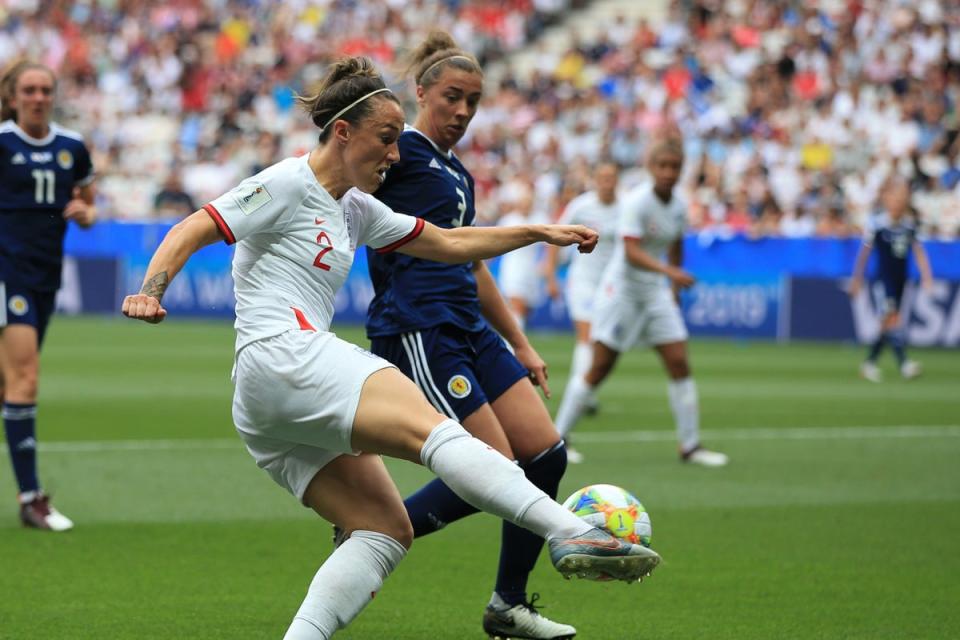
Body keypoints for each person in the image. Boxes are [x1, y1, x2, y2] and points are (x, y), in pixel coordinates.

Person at [122, 56, 660, 640]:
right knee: (440, 434)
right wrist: (151, 292)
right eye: (386, 138)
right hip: (286, 353)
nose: (395, 155)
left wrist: (538, 232)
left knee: (385, 528)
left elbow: (450, 243)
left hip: (267, 401)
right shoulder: (286, 181)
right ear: (344, 131)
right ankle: (568, 530)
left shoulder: (356, 208)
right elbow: (190, 229)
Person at [365, 33, 583, 639]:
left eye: (473, 102)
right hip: (421, 328)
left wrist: (521, 342)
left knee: (546, 456)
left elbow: (474, 261)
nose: (461, 112)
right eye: (451, 98)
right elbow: (340, 189)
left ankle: (508, 605)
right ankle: (374, 526)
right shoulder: (398, 152)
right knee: (496, 468)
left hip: (471, 326)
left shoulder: (455, 171)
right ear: (421, 93)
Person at [553, 134, 729, 468]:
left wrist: (673, 289)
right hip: (623, 291)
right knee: (599, 367)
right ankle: (558, 439)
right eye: (662, 165)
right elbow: (631, 252)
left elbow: (676, 246)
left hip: (655, 292)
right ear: (650, 168)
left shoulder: (678, 205)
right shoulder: (637, 202)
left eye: (674, 167)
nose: (668, 172)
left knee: (679, 361)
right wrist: (670, 274)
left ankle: (690, 446)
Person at [0, 60, 96, 531]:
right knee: (26, 380)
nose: (38, 97)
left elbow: (88, 202)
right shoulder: (2, 143)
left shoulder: (70, 146)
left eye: (45, 90)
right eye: (29, 90)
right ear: (13, 96)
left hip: (45, 276)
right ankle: (31, 498)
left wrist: (84, 212)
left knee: (8, 385)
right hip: (5, 273)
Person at [544, 161, 623, 462]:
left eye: (611, 176)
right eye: (602, 176)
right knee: (587, 339)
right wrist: (551, 274)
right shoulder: (581, 206)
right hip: (584, 283)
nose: (607, 181)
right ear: (595, 180)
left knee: (601, 343)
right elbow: (555, 236)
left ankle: (583, 394)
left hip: (612, 287)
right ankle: (582, 399)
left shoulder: (625, 207)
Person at [850, 177, 933, 382]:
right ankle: (904, 364)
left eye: (900, 201)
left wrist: (926, 276)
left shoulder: (909, 226)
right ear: (887, 202)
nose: (896, 204)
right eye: (893, 200)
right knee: (891, 319)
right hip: (882, 281)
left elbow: (919, 251)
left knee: (888, 324)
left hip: (900, 280)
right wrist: (857, 278)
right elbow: (865, 252)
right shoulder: (878, 225)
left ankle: (869, 363)